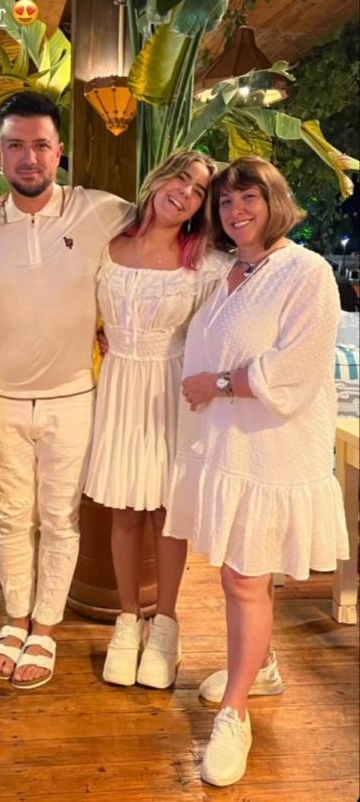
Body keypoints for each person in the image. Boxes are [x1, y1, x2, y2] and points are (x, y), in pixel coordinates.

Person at [164, 158, 349, 787]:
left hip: (273, 449)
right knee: (242, 570)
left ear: (274, 201)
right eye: (224, 202)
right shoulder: (229, 271)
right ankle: (260, 667)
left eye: (249, 197)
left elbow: (295, 368)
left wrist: (215, 384)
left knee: (244, 576)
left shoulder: (305, 271)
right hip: (230, 448)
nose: (235, 210)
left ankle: (235, 711)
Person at [0, 92, 135, 689]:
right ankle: (16, 618)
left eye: (41, 145)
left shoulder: (101, 210)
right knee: (11, 518)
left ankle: (46, 627)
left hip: (73, 397)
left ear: (59, 150)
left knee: (62, 521)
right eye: (15, 145)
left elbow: (168, 228)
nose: (29, 157)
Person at [84, 151, 231, 689]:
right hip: (118, 384)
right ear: (159, 179)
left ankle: (165, 624)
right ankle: (129, 621)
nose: (185, 193)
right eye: (181, 178)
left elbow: (225, 329)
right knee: (124, 509)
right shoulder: (105, 246)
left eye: (199, 191)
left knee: (169, 512)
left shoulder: (208, 264)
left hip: (171, 388)